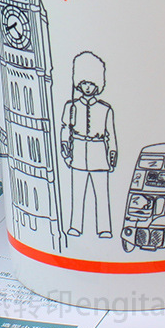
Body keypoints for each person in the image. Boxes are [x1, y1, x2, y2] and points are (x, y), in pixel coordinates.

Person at [60, 52, 117, 238]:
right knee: (77, 193)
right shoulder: (71, 106)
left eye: (91, 84)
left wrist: (112, 155)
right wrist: (65, 149)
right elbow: (65, 128)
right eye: (84, 83)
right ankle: (75, 227)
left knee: (102, 194)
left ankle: (105, 229)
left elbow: (111, 134)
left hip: (99, 153)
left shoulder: (105, 109)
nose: (87, 87)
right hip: (77, 152)